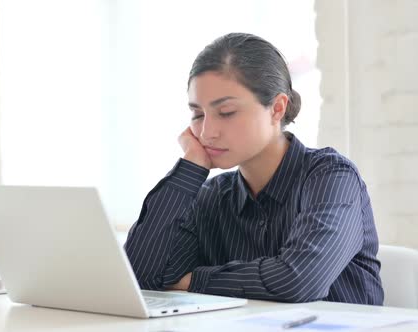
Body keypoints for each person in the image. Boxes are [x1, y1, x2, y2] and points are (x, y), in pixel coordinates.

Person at [124, 33, 383, 305]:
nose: (207, 132)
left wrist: (193, 281)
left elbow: (296, 281)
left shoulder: (332, 177)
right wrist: (190, 168)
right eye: (198, 114)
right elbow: (140, 276)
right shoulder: (210, 196)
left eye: (226, 112)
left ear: (277, 108)